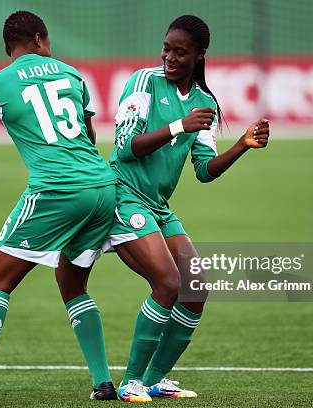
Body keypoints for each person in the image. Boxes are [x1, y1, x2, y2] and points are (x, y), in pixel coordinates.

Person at [0, 11, 118, 405]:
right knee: (74, 286)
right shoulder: (71, 74)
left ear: (9, 48)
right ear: (38, 39)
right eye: (47, 42)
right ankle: (103, 382)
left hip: (55, 190)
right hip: (102, 187)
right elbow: (88, 136)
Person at [105, 15, 270, 402]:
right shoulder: (143, 82)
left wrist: (242, 145)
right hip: (123, 194)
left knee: (196, 288)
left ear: (199, 55)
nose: (169, 57)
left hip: (158, 206)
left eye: (180, 52)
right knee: (167, 284)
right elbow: (127, 147)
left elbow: (204, 171)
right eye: (166, 48)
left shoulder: (204, 103)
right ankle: (130, 382)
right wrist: (180, 125)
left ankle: (155, 379)